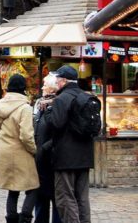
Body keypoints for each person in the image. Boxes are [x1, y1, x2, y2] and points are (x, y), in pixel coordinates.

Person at [0, 74, 39, 223]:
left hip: (4, 152)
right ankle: (25, 218)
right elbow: (26, 136)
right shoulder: (25, 108)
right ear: (24, 88)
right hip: (22, 152)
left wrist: (2, 142)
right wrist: (34, 150)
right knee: (33, 187)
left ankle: (11, 218)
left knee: (13, 189)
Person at [46, 65, 93, 223]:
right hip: (85, 157)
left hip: (65, 157)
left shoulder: (61, 99)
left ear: (64, 81)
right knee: (82, 198)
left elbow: (56, 124)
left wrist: (48, 112)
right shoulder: (85, 96)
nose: (56, 83)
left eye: (58, 79)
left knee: (66, 198)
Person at [34, 73, 62, 223]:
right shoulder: (39, 103)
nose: (42, 87)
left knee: (56, 196)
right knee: (40, 196)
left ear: (52, 88)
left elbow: (59, 132)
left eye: (45, 84)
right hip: (40, 157)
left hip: (53, 157)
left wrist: (45, 147)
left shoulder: (58, 104)